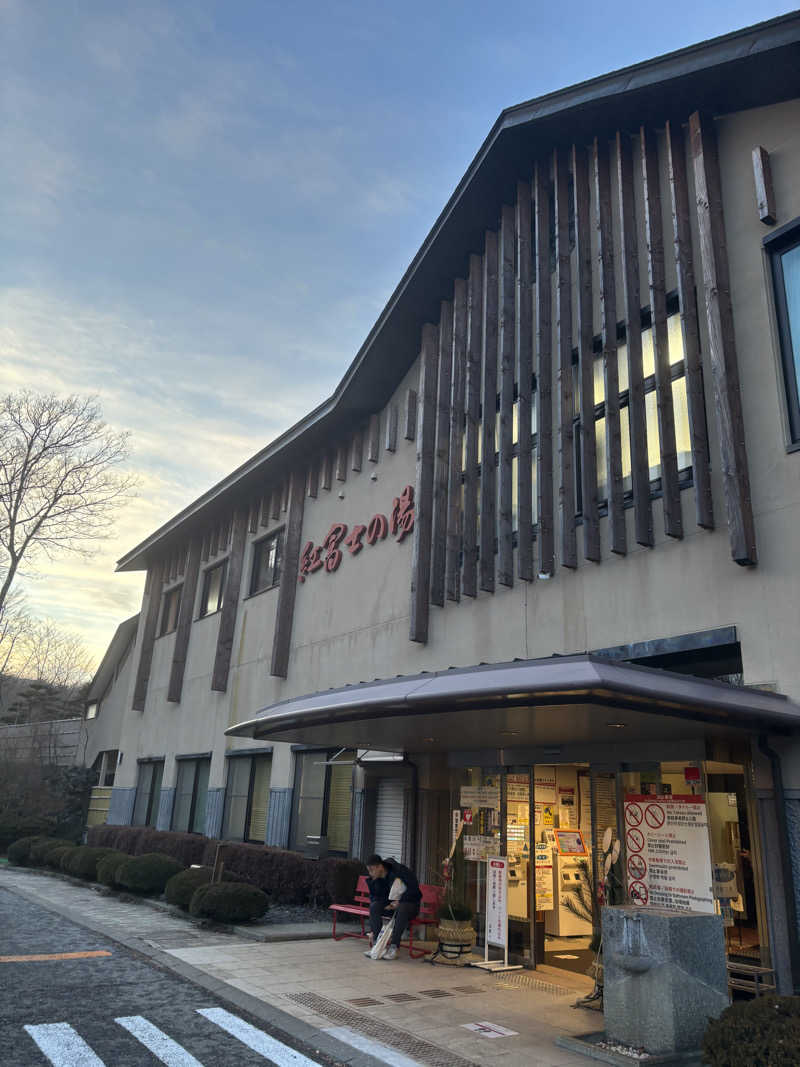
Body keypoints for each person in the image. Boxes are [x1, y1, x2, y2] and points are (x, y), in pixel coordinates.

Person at [364, 853, 422, 960]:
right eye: (369, 870)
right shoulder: (376, 879)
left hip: (410, 905)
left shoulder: (399, 871)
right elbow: (374, 897)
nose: (370, 873)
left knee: (402, 907)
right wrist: (372, 929)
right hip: (392, 907)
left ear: (380, 866)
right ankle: (378, 945)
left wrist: (400, 901)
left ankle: (394, 947)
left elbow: (415, 891)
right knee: (374, 906)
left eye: (372, 870)